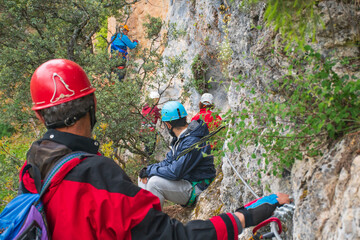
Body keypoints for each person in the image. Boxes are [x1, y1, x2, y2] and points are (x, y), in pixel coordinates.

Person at [21, 59, 290, 239]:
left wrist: (151, 171)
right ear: (93, 104)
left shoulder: (32, 170)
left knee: (157, 179)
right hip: (186, 187)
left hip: (196, 187)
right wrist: (247, 215)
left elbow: (175, 170)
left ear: (40, 117)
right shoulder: (98, 176)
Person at [140, 91, 161, 159]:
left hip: (143, 131)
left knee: (147, 147)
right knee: (151, 149)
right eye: (157, 99)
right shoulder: (154, 108)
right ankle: (150, 162)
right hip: (150, 131)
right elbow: (161, 117)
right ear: (154, 99)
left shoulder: (144, 107)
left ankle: (146, 159)